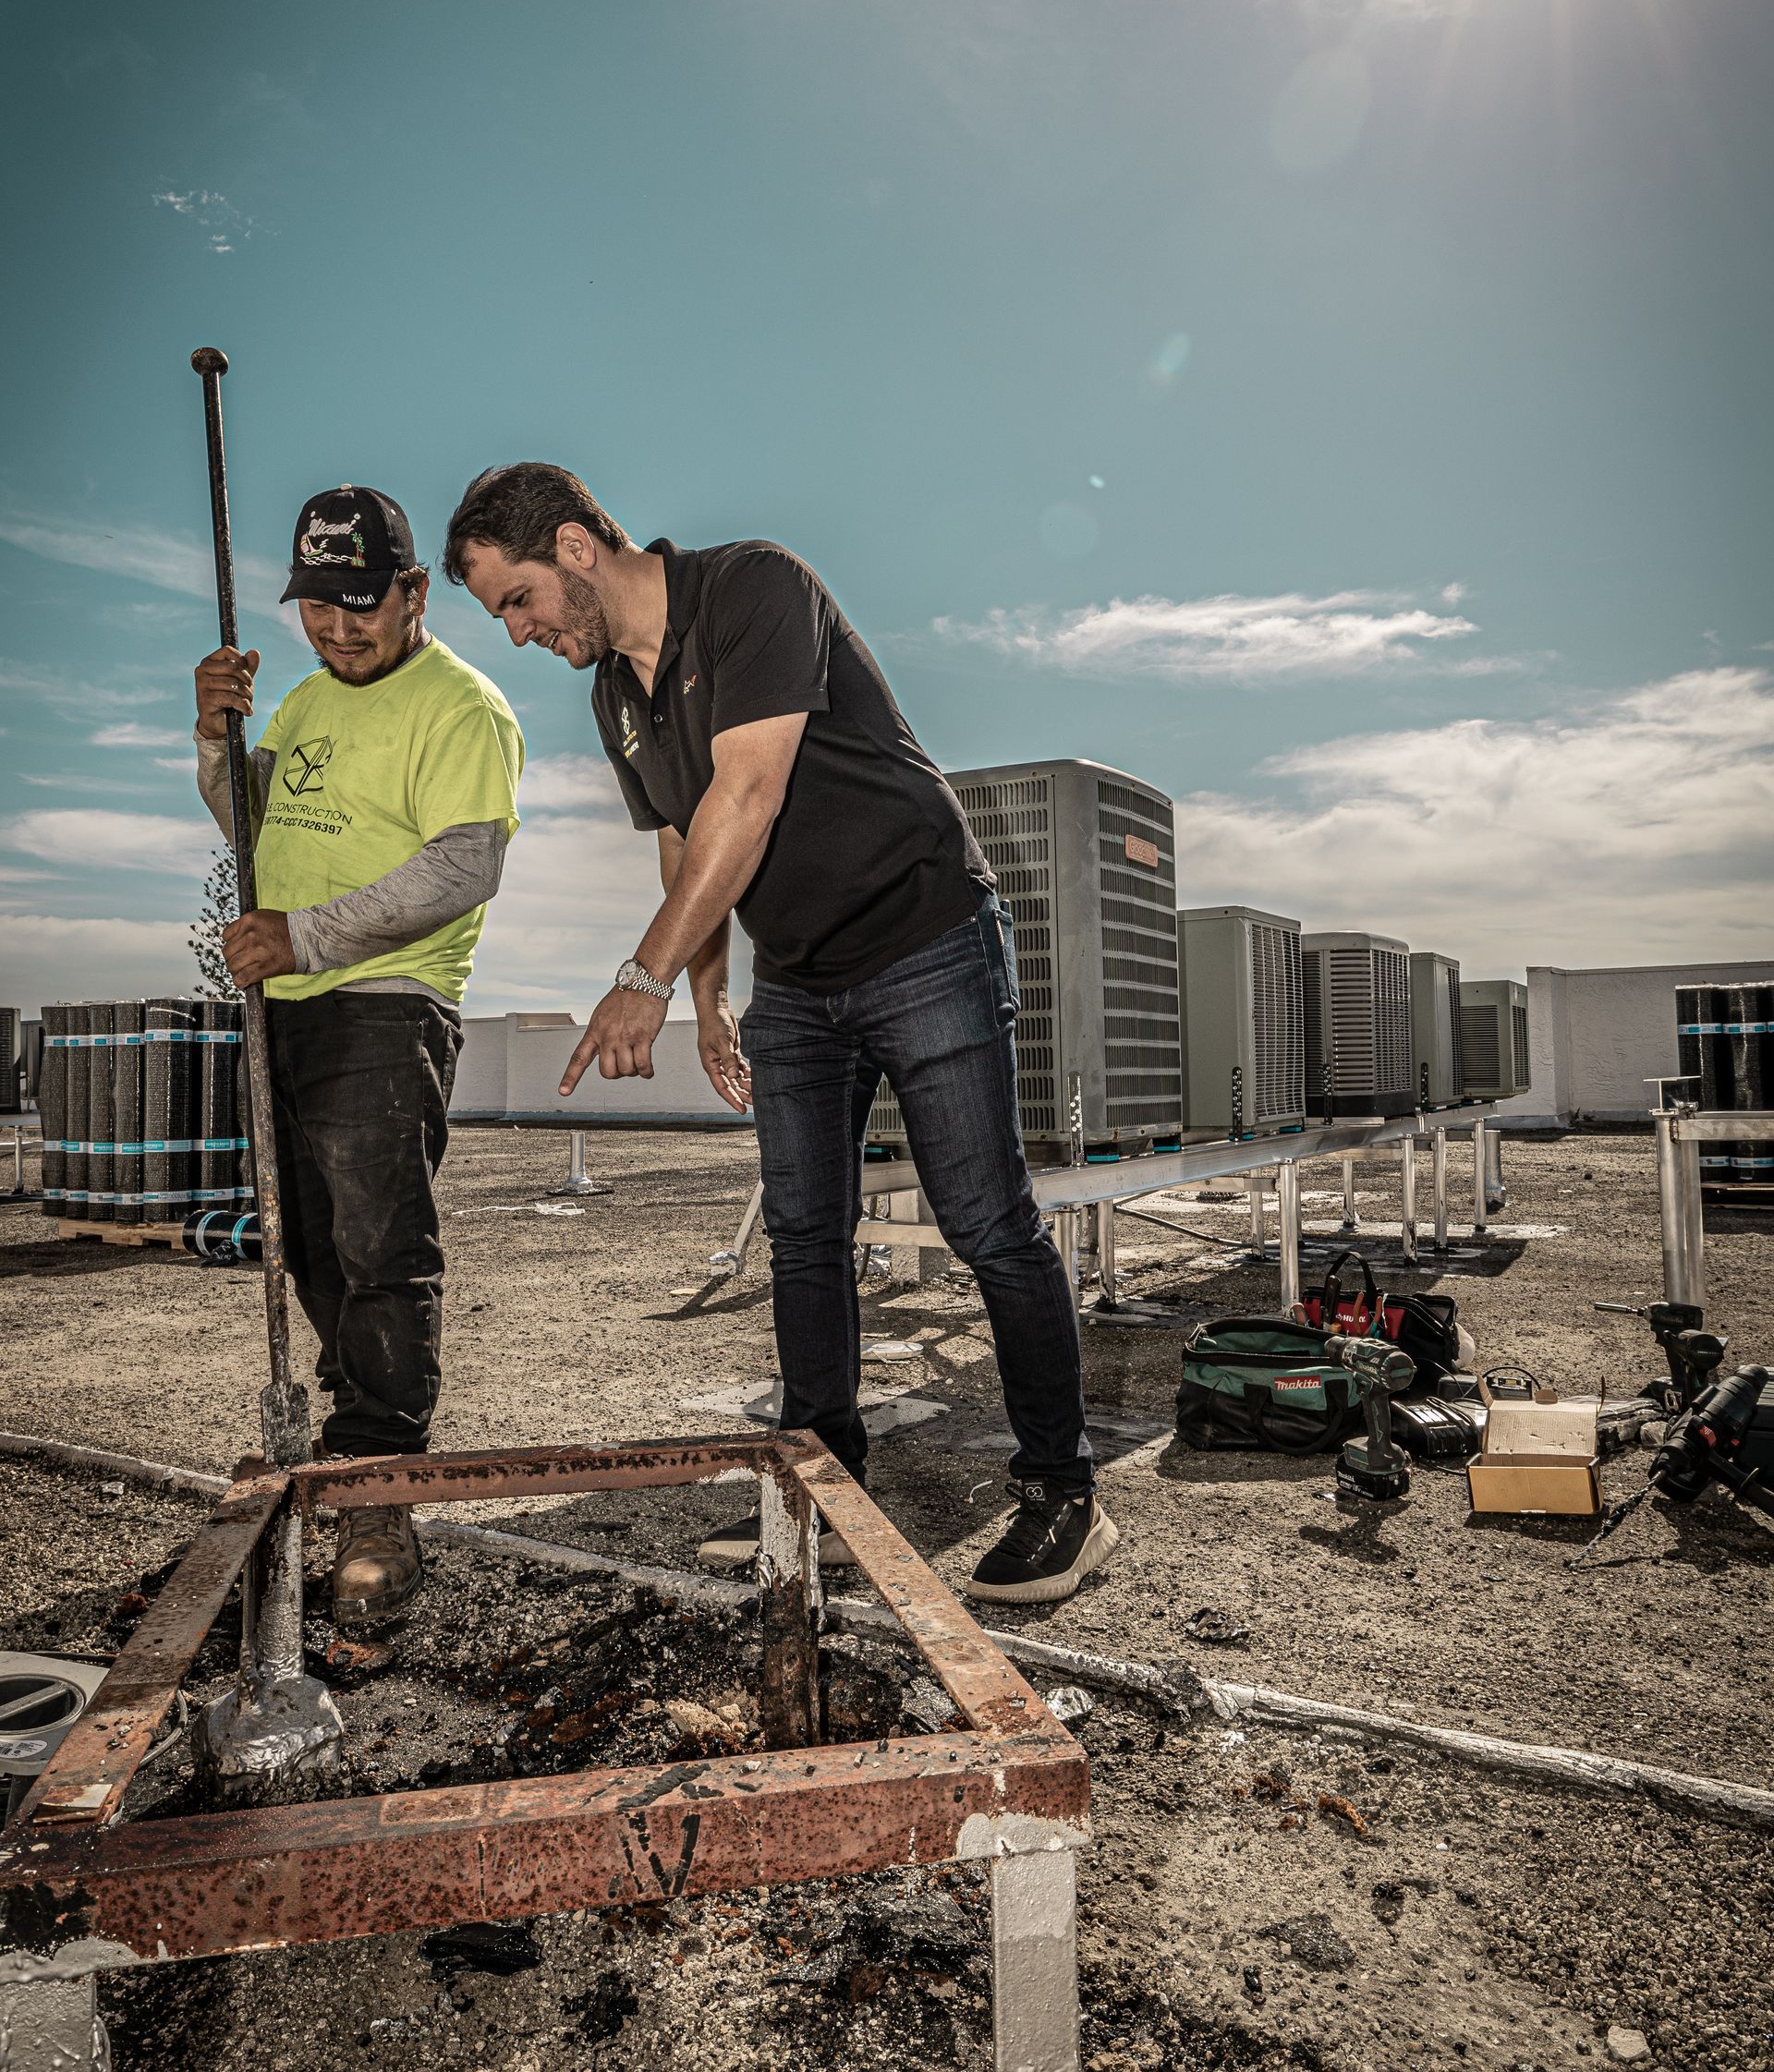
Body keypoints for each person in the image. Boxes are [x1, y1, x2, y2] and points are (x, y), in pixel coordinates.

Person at [444, 463, 1115, 1605]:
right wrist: (709, 998)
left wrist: (643, 979)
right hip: (799, 983)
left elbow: (747, 795)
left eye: (516, 600)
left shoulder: (755, 588)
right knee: (804, 1236)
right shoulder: (614, 695)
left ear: (571, 548)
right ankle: (821, 1494)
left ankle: (1064, 1496)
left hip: (925, 937)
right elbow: (680, 837)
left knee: (987, 1222)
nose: (516, 633)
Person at [193, 486, 524, 1627]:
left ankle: (381, 1487)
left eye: (361, 603)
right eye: (318, 606)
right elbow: (250, 826)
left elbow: (462, 867)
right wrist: (215, 737)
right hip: (284, 1002)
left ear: (412, 593)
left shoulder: (461, 707)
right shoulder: (299, 701)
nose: (340, 627)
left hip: (386, 1002)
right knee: (314, 1243)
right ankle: (348, 1437)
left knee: (382, 1241)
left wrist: (310, 935)